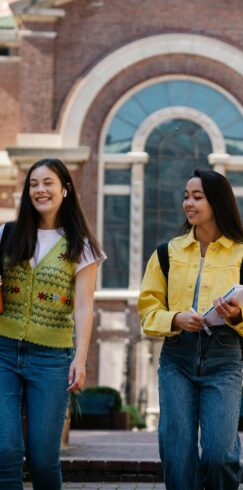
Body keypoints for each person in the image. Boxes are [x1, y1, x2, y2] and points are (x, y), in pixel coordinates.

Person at [138, 168, 243, 490]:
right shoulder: (165, 254)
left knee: (219, 455)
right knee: (177, 453)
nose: (188, 203)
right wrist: (175, 319)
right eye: (186, 196)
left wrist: (237, 316)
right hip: (177, 358)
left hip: (223, 361)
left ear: (218, 202)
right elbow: (147, 312)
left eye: (197, 197)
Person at [0, 158, 105, 490]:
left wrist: (81, 357)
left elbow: (85, 306)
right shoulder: (7, 234)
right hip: (3, 353)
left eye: (47, 183)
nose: (39, 190)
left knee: (44, 459)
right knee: (5, 451)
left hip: (51, 359)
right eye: (33, 184)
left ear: (65, 189)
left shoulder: (81, 245)